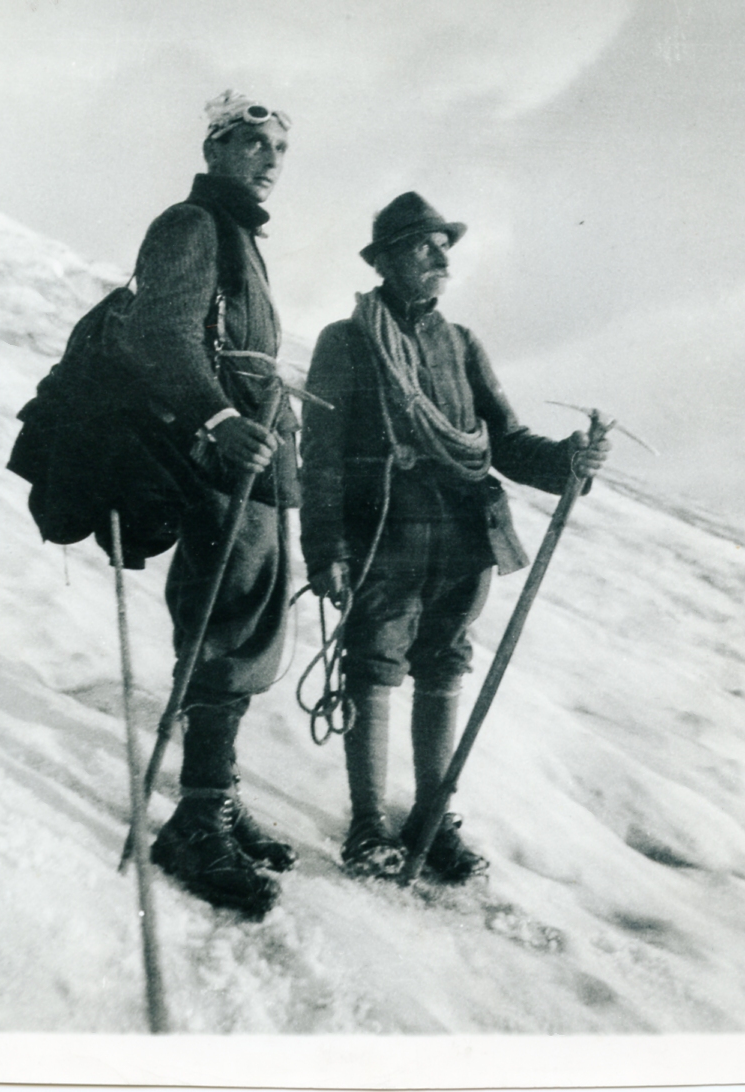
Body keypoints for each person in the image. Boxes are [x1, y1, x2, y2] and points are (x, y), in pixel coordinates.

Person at [300, 192, 609, 881]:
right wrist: (326, 549)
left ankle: (430, 820)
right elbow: (318, 457)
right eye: (422, 245)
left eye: (445, 245)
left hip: (463, 540)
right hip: (384, 537)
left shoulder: (461, 343)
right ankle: (369, 825)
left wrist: (568, 463)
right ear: (384, 261)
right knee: (373, 670)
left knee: (443, 668)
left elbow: (506, 440)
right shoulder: (345, 342)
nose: (440, 257)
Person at [106, 91, 299, 914]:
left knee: (246, 625)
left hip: (252, 462)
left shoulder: (239, 236)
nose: (269, 158)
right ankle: (195, 820)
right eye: (252, 142)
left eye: (279, 149)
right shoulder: (193, 226)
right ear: (216, 148)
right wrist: (219, 420)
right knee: (221, 628)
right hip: (220, 459)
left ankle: (212, 793)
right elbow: (162, 334)